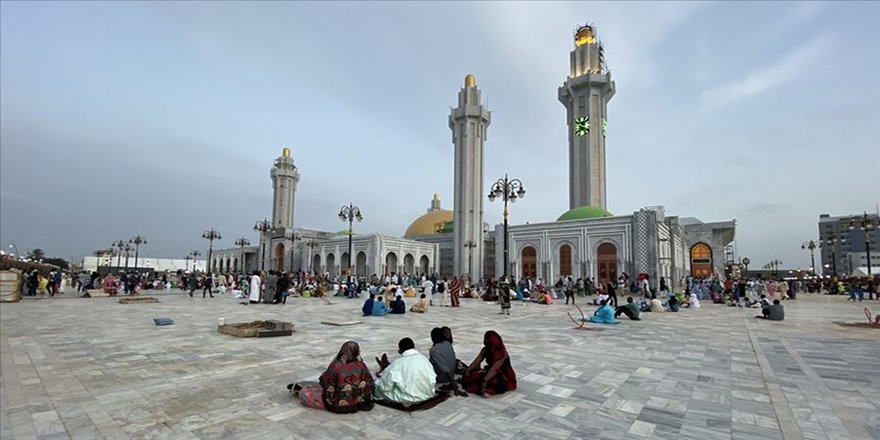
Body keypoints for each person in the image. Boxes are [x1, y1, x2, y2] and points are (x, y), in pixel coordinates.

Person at [290, 341, 375, 413]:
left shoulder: (336, 366)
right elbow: (370, 383)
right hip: (360, 401)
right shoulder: (362, 365)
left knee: (305, 393)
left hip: (337, 404)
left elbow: (324, 381)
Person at [373, 338, 437, 404]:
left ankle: (384, 369)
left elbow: (385, 387)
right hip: (428, 393)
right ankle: (385, 368)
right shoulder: (424, 359)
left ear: (400, 350)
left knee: (377, 386)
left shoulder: (398, 363)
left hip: (409, 397)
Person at [462, 331, 516, 397]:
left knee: (494, 382)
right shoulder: (486, 349)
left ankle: (489, 391)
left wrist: (484, 381)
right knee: (473, 375)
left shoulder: (502, 353)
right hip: (491, 371)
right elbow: (477, 361)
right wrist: (468, 370)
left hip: (504, 375)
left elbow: (495, 369)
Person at [429, 328, 467, 397]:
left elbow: (446, 369)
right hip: (451, 373)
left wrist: (456, 388)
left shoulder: (434, 350)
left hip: (442, 378)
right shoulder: (448, 343)